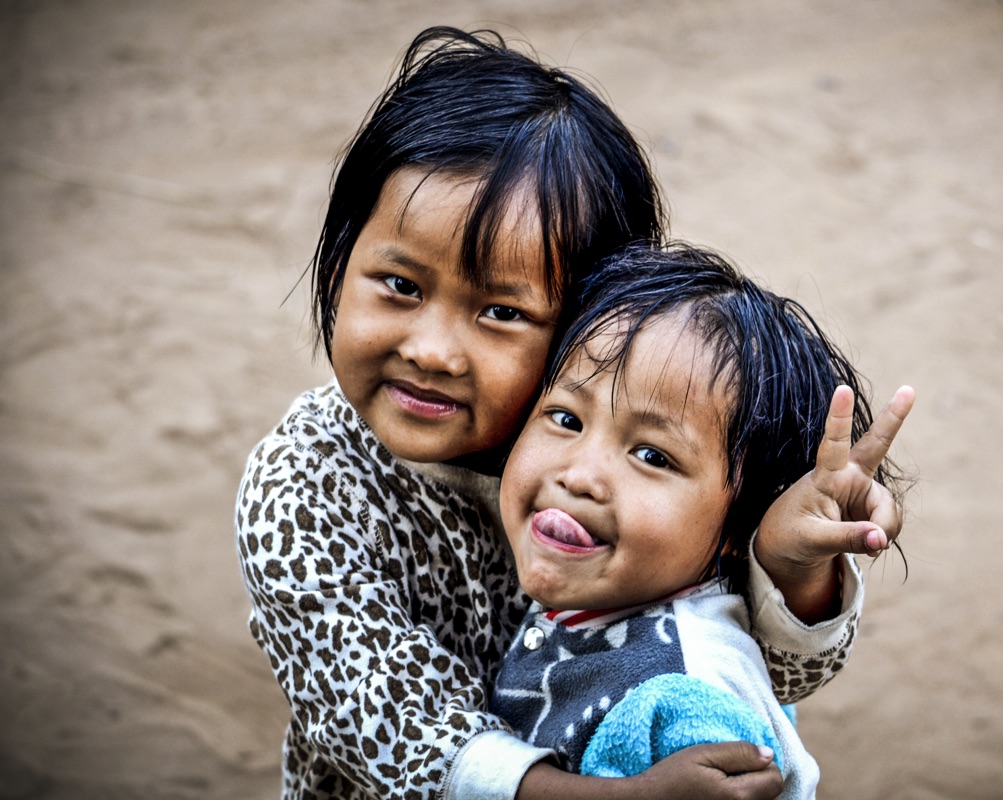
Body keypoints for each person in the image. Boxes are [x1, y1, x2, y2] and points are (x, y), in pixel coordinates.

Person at [235, 26, 908, 800]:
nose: (432, 350)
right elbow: (387, 727)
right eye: (400, 285)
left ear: (589, 321)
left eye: (501, 312)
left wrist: (792, 567)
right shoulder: (306, 482)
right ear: (342, 256)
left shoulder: (609, 453)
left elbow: (771, 665)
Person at [490, 243, 914, 798]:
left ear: (741, 526)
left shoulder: (689, 706)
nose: (579, 474)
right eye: (567, 418)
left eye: (652, 456)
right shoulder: (618, 585)